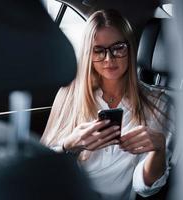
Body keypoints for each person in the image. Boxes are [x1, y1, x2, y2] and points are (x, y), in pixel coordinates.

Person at [40, 9, 174, 200]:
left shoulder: (158, 103)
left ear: (130, 48)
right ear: (88, 53)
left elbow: (145, 188)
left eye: (118, 47)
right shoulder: (69, 94)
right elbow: (44, 169)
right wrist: (69, 145)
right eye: (99, 51)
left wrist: (158, 150)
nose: (109, 59)